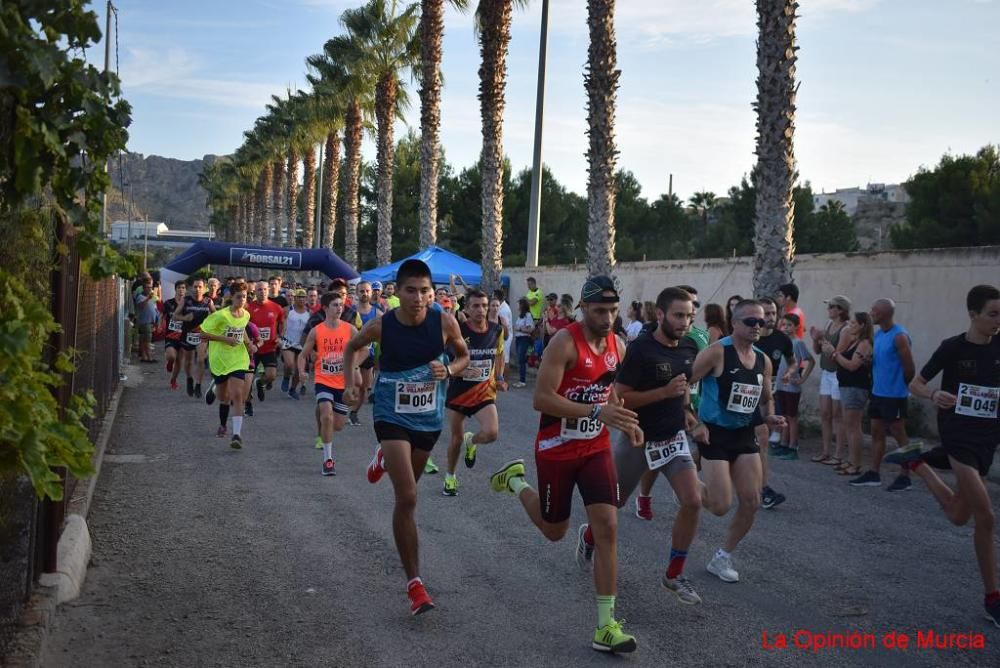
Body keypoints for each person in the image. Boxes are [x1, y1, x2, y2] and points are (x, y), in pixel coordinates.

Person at [488, 275, 642, 654]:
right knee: (554, 531)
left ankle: (606, 626)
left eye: (612, 310)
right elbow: (541, 399)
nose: (607, 318)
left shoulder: (618, 346)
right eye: (599, 311)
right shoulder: (564, 342)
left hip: (595, 448)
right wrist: (595, 410)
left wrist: (624, 419)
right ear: (583, 309)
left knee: (608, 526)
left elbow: (609, 393)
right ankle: (515, 482)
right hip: (556, 447)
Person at [343, 259, 470, 616]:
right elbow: (352, 349)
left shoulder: (443, 321)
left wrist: (449, 369)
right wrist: (350, 383)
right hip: (390, 414)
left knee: (407, 493)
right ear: (396, 293)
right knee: (409, 496)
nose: (418, 298)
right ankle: (415, 583)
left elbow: (463, 355)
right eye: (410, 290)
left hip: (428, 418)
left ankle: (383, 458)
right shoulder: (381, 326)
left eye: (425, 291)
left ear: (433, 293)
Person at [883, 285, 1000, 626]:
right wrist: (934, 395)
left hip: (988, 438)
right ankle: (993, 597)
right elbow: (915, 384)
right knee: (987, 517)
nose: (998, 321)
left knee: (958, 515)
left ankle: (917, 461)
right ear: (973, 315)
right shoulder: (953, 348)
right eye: (992, 314)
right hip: (958, 436)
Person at [612, 287, 704, 605]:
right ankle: (590, 536)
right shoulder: (640, 350)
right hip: (637, 438)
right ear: (661, 314)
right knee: (614, 504)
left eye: (690, 316)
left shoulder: (689, 346)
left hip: (673, 438)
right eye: (679, 315)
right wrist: (662, 394)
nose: (685, 322)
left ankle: (674, 574)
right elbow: (619, 396)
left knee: (693, 500)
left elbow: (683, 388)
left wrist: (688, 412)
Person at [688, 299, 786, 583]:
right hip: (714, 433)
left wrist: (770, 417)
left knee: (751, 500)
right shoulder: (716, 353)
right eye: (751, 322)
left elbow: (766, 398)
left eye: (762, 322)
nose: (758, 326)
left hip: (744, 434)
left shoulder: (763, 359)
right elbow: (683, 385)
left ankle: (722, 557)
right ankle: (683, 479)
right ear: (735, 323)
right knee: (719, 505)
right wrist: (694, 422)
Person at [442, 290, 506, 496]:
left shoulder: (497, 330)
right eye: (476, 306)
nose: (481, 310)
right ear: (467, 309)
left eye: (485, 306)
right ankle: (450, 477)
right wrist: (460, 368)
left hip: (483, 392)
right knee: (456, 439)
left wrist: (500, 377)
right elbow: (446, 358)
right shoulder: (457, 331)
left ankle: (473, 441)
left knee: (491, 432)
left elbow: (499, 354)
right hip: (459, 392)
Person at [849, 298, 917, 491]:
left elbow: (910, 368)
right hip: (878, 393)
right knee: (877, 432)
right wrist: (869, 362)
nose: (871, 313)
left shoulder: (900, 336)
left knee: (899, 434)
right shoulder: (878, 335)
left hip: (894, 395)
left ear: (885, 313)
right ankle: (874, 473)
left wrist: (899, 387)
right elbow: (880, 362)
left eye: (874, 311)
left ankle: (906, 476)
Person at [298, 291, 359, 476]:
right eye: (335, 305)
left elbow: (364, 349)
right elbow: (302, 355)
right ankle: (328, 460)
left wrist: (353, 366)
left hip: (343, 383)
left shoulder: (350, 329)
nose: (339, 308)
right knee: (327, 415)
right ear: (325, 308)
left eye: (341, 305)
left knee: (338, 425)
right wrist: (301, 371)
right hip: (323, 380)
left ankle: (325, 430)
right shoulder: (317, 331)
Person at [198, 281, 254, 449]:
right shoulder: (220, 315)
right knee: (224, 397)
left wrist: (249, 343)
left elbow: (241, 329)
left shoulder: (246, 315)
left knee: (237, 394)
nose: (242, 300)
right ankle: (217, 393)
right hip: (220, 360)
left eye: (244, 297)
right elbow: (202, 333)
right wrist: (225, 339)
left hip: (238, 359)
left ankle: (237, 434)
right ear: (231, 297)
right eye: (239, 297)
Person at [826, 312, 874, 476]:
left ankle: (856, 463)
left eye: (853, 323)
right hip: (848, 386)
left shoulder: (865, 343)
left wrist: (835, 354)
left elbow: (853, 365)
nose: (850, 326)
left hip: (856, 387)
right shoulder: (855, 342)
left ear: (862, 325)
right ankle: (851, 460)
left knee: (854, 427)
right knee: (849, 425)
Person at [809, 295, 851, 465]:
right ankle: (826, 451)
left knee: (837, 415)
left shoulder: (846, 329)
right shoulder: (828, 325)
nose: (828, 309)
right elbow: (818, 351)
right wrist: (816, 339)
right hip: (826, 372)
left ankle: (839, 454)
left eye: (831, 306)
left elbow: (836, 354)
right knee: (825, 414)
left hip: (838, 375)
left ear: (840, 309)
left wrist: (824, 343)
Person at [771, 313, 815, 459]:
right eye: (784, 324)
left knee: (792, 417)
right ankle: (783, 444)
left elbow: (810, 360)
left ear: (796, 326)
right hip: (779, 385)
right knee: (782, 416)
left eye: (789, 325)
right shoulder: (781, 342)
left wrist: (802, 379)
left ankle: (793, 446)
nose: (786, 328)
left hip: (791, 386)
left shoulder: (798, 343)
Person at [247, 281, 286, 410]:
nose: (262, 292)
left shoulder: (276, 307)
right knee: (248, 379)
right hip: (253, 348)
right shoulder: (249, 307)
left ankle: (260, 382)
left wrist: (280, 336)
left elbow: (282, 323)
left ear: (268, 290)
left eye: (264, 289)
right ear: (255, 291)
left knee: (271, 376)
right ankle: (248, 404)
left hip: (270, 347)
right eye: (259, 290)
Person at [350, 281, 384, 426]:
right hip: (353, 353)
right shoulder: (350, 311)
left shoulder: (378, 313)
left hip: (369, 354)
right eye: (362, 291)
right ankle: (341, 407)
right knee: (354, 384)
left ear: (371, 293)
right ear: (357, 293)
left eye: (367, 291)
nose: (364, 294)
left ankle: (354, 413)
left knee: (365, 387)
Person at [177, 278, 215, 398]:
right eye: (195, 287)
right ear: (191, 288)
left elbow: (217, 317)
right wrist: (185, 318)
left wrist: (211, 318)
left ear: (204, 289)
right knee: (188, 361)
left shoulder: (208, 301)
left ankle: (198, 385)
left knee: (200, 359)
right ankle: (189, 379)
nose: (197, 289)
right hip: (188, 333)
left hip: (202, 334)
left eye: (200, 287)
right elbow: (174, 316)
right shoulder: (186, 300)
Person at [282, 289, 313, 399]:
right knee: (290, 364)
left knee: (300, 369)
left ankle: (292, 389)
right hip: (288, 342)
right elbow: (279, 322)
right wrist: (279, 335)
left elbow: (311, 329)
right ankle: (286, 377)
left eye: (303, 297)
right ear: (294, 298)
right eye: (299, 297)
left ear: (306, 299)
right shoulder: (287, 310)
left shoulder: (310, 313)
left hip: (302, 344)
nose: (301, 299)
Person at [161, 281, 186, 388]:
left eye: (183, 288)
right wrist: (159, 326)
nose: (181, 290)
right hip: (171, 336)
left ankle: (173, 380)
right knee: (172, 356)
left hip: (183, 336)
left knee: (179, 361)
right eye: (179, 288)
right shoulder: (168, 303)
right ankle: (170, 362)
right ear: (175, 289)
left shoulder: (188, 305)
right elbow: (162, 316)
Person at [134, 277, 159, 363]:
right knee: (147, 340)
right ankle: (149, 357)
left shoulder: (152, 297)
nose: (149, 289)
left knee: (145, 340)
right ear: (143, 288)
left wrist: (156, 320)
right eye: (147, 287)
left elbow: (155, 309)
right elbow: (141, 306)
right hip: (145, 322)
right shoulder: (140, 296)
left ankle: (145, 356)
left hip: (150, 322)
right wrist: (148, 298)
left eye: (150, 287)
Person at [513, 298, 534, 389]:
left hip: (524, 339)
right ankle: (521, 380)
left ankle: (522, 381)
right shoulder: (520, 316)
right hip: (518, 338)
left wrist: (520, 329)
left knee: (522, 359)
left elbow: (530, 329)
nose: (519, 307)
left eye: (520, 305)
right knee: (520, 359)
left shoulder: (528, 315)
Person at [493, 288, 513, 376]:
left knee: (505, 360)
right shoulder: (501, 307)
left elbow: (505, 327)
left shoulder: (504, 310)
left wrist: (503, 338)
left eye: (493, 296)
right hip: (501, 336)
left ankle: (505, 380)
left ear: (497, 297)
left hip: (505, 337)